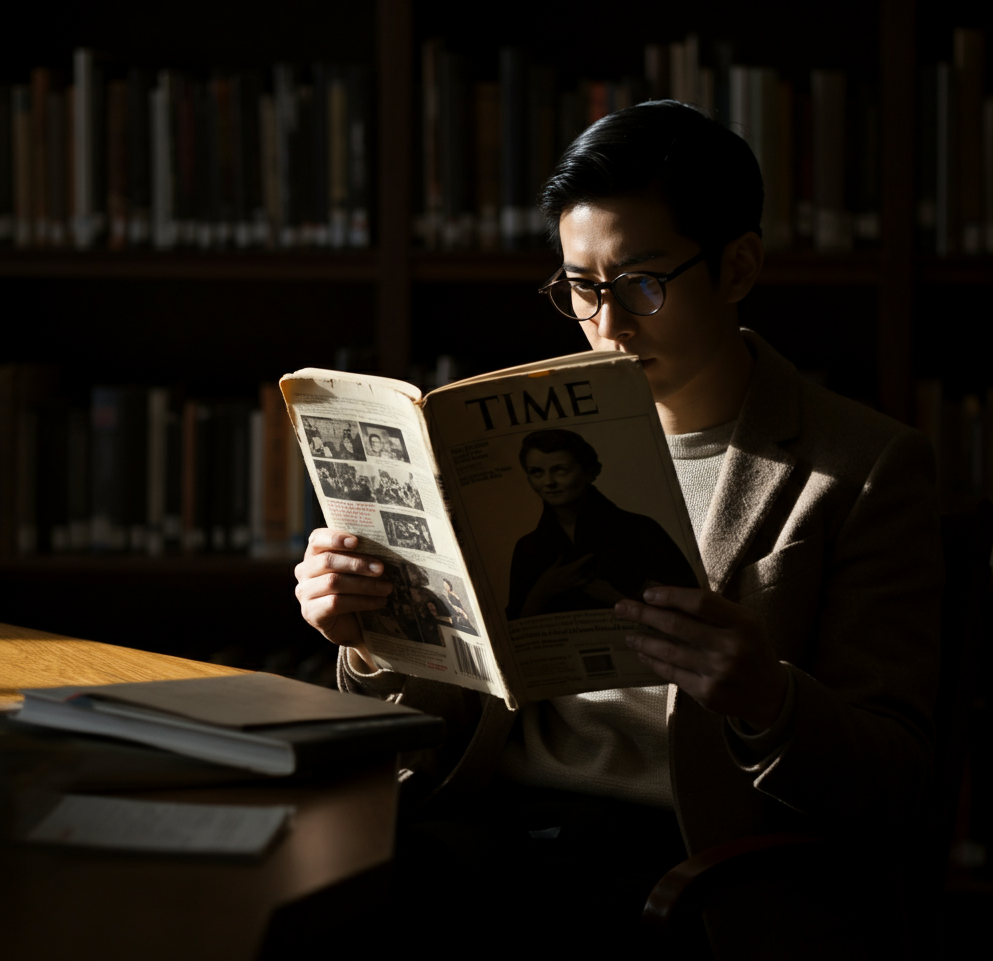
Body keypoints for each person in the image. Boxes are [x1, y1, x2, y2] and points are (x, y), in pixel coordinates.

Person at [292, 100, 942, 953]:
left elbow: (896, 782)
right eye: (580, 288)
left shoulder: (862, 467)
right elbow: (435, 734)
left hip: (687, 857)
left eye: (642, 284)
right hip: (489, 822)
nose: (608, 326)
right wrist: (375, 640)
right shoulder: (500, 441)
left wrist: (767, 700)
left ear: (739, 266)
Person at [507, 428, 697, 619]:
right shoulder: (528, 548)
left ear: (589, 472)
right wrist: (542, 591)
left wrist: (613, 598)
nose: (548, 482)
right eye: (537, 472)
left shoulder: (642, 531)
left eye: (560, 470)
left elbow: (690, 612)